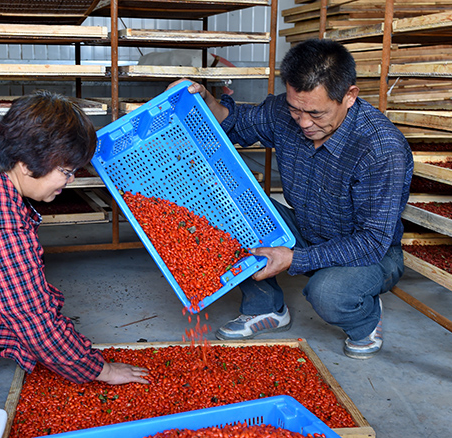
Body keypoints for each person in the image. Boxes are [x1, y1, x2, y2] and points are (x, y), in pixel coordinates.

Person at [173, 38, 413, 359]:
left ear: (349, 97)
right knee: (227, 209)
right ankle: (266, 308)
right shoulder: (287, 113)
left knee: (328, 293)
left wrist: (293, 259)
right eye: (295, 109)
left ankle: (365, 317)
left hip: (371, 253)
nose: (303, 123)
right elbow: (234, 122)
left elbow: (371, 241)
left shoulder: (381, 149)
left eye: (315, 113)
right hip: (307, 229)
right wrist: (204, 99)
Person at [0, 90, 149, 411]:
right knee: (23, 320)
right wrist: (99, 370)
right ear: (26, 162)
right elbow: (33, 316)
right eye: (65, 171)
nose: (69, 181)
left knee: (33, 296)